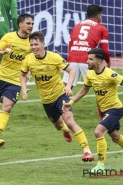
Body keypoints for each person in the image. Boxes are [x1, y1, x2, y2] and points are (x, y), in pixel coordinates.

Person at [20, 31, 94, 162]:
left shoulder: (54, 57)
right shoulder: (28, 59)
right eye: (31, 44)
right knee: (59, 126)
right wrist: (24, 88)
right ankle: (65, 130)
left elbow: (72, 70)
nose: (33, 47)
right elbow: (22, 74)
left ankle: (87, 151)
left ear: (43, 44)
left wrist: (68, 86)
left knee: (69, 120)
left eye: (36, 44)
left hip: (60, 95)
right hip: (46, 100)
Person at [63, 48, 123, 173]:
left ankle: (100, 166)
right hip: (104, 110)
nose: (87, 62)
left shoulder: (110, 74)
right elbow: (84, 90)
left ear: (100, 61)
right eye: (88, 58)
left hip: (115, 109)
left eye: (90, 59)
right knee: (116, 137)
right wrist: (71, 103)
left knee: (98, 132)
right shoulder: (90, 74)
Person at [0, 14, 34, 146]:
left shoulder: (32, 42)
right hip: (1, 76)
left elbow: (32, 59)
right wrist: (3, 52)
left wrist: (28, 72)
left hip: (16, 80)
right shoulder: (8, 37)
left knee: (7, 106)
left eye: (32, 24)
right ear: (20, 24)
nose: (31, 26)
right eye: (28, 23)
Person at [63, 4, 111, 120]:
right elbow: (104, 50)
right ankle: (102, 117)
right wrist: (107, 61)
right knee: (99, 91)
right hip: (89, 61)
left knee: (65, 88)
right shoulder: (102, 28)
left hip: (72, 58)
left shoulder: (77, 26)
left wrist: (71, 57)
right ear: (98, 15)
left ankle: (62, 114)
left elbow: (70, 45)